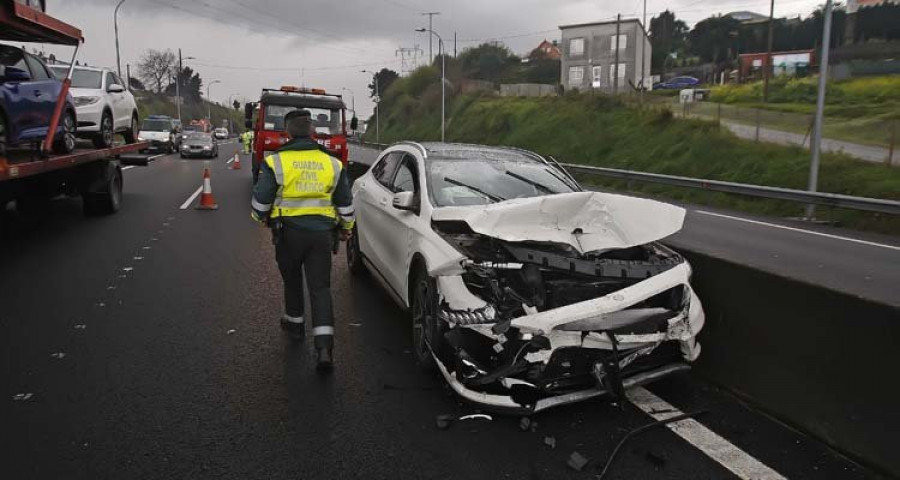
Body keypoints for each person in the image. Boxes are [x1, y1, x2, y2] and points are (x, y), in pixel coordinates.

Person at [250, 110, 354, 371]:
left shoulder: (276, 162)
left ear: (287, 133)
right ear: (312, 133)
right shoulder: (332, 163)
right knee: (320, 288)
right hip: (322, 235)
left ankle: (295, 326)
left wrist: (260, 217)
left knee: (292, 279)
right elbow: (345, 203)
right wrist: (347, 228)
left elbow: (260, 203)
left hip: (288, 234)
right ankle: (324, 349)